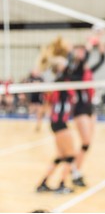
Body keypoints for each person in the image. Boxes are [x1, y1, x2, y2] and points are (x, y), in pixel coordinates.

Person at [70, 30, 105, 187]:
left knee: (87, 144)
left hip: (90, 108)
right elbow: (87, 56)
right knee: (85, 142)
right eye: (79, 53)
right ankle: (73, 171)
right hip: (79, 110)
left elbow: (102, 59)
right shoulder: (74, 73)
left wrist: (100, 39)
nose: (82, 55)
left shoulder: (88, 72)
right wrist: (91, 41)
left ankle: (75, 170)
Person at [36, 55, 76, 194]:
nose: (65, 63)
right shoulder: (60, 80)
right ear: (59, 68)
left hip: (57, 122)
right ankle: (62, 185)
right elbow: (69, 67)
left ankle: (42, 184)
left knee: (60, 155)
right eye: (62, 63)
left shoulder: (60, 81)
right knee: (71, 155)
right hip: (59, 122)